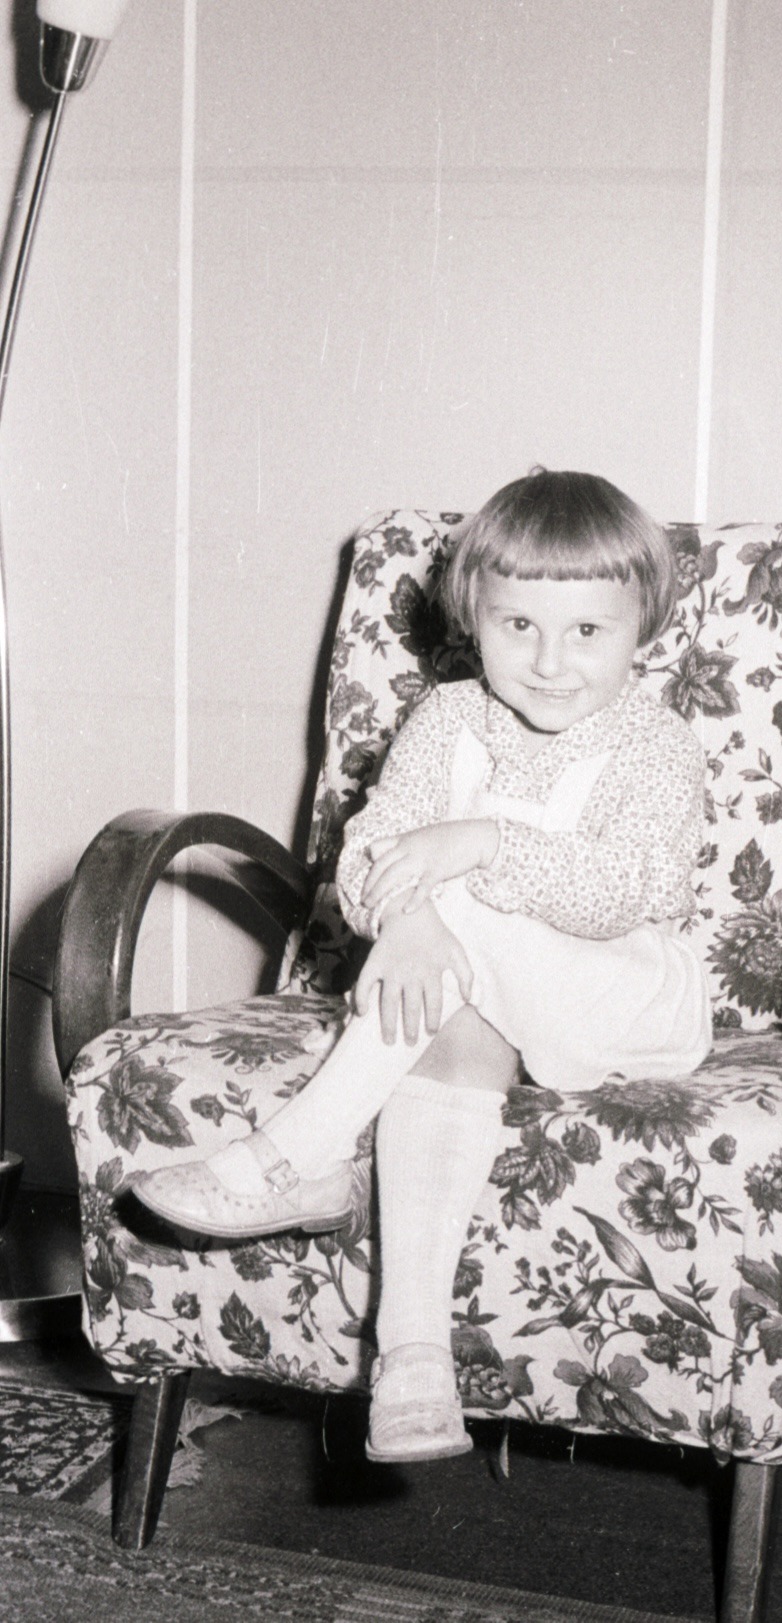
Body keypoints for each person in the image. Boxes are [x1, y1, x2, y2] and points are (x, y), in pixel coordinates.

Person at [133, 468, 712, 1464]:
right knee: (438, 1019)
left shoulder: (656, 746)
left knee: (457, 907)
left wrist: (473, 849)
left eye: (587, 630)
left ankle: (289, 1158)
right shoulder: (446, 720)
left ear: (642, 629)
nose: (549, 661)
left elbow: (621, 891)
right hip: (486, 1006)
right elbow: (370, 852)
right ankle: (413, 1362)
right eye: (517, 624)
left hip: (628, 1000)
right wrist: (406, 924)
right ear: (473, 617)